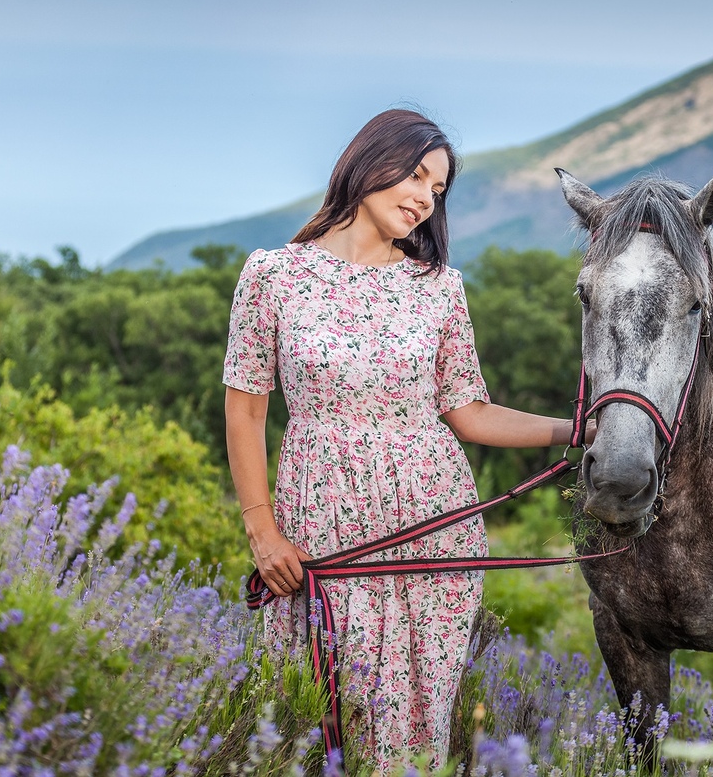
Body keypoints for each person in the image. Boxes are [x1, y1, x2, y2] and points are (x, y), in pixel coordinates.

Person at [222, 108, 587, 771]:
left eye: (438, 189)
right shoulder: (273, 275)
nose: (424, 197)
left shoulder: (439, 288)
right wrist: (262, 532)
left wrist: (577, 430)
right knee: (321, 716)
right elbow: (245, 412)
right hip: (322, 522)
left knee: (408, 734)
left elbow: (469, 411)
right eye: (416, 174)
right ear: (368, 160)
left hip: (432, 529)